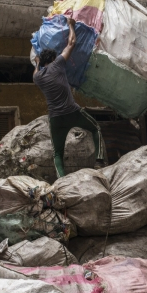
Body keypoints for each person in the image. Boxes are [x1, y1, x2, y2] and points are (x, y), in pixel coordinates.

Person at [33, 17, 106, 178]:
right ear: (52, 60)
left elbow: (35, 71)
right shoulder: (57, 64)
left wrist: (37, 62)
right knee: (95, 128)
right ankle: (99, 160)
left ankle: (62, 181)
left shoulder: (38, 78)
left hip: (56, 118)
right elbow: (71, 43)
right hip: (72, 112)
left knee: (57, 153)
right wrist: (71, 26)